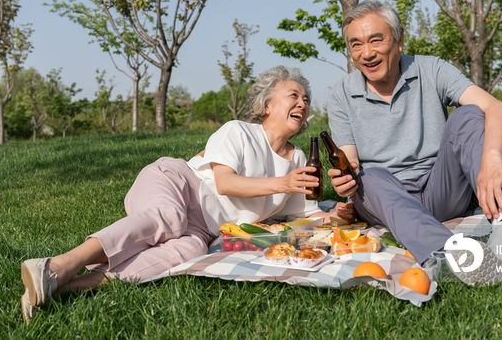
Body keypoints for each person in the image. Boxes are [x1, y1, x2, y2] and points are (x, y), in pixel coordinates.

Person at [20, 65, 355, 322]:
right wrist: (281, 184)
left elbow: (302, 212)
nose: (303, 103)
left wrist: (334, 215)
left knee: (187, 252)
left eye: (306, 99)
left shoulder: (297, 158)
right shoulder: (238, 131)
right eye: (293, 95)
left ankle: (63, 290)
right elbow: (224, 183)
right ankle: (59, 266)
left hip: (204, 228)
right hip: (177, 183)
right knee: (169, 217)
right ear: (267, 104)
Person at [326, 0, 502, 286]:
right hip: (387, 196)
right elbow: (349, 165)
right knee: (368, 176)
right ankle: (451, 254)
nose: (367, 53)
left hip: (441, 190)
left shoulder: (431, 69)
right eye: (356, 45)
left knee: (469, 114)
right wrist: (345, 181)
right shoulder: (341, 95)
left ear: (400, 41)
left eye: (376, 40)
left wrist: (492, 159)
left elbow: (499, 110)